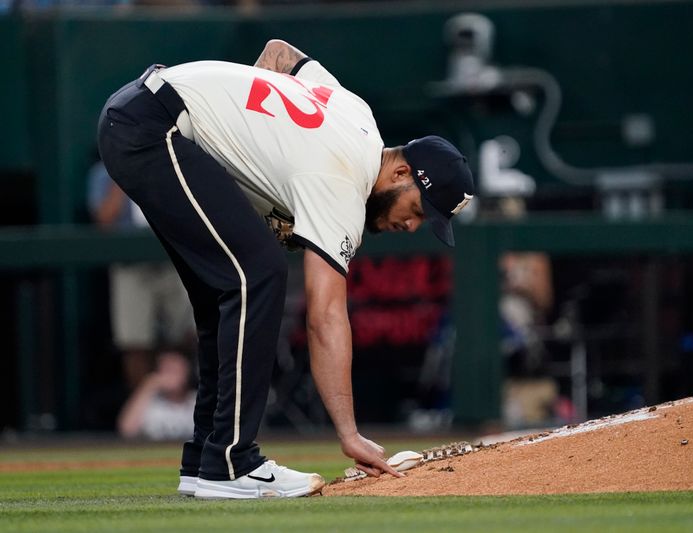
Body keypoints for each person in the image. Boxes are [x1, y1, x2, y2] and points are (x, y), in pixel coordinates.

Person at [96, 39, 475, 499]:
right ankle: (232, 462)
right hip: (155, 130)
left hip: (142, 113)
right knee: (260, 275)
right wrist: (349, 433)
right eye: (420, 210)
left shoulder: (357, 115)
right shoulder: (343, 185)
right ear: (400, 175)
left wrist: (247, 141)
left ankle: (205, 459)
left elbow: (278, 54)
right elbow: (325, 316)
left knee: (226, 290)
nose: (414, 226)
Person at [87, 160, 195, 391]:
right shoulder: (102, 173)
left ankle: (186, 405)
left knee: (187, 334)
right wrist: (123, 172)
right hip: (130, 265)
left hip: (173, 259)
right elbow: (104, 221)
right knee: (134, 340)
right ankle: (144, 411)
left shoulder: (172, 161)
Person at [117, 349, 196, 440]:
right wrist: (148, 386)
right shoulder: (149, 401)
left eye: (175, 370)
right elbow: (126, 430)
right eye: (166, 370)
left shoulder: (196, 400)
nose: (170, 376)